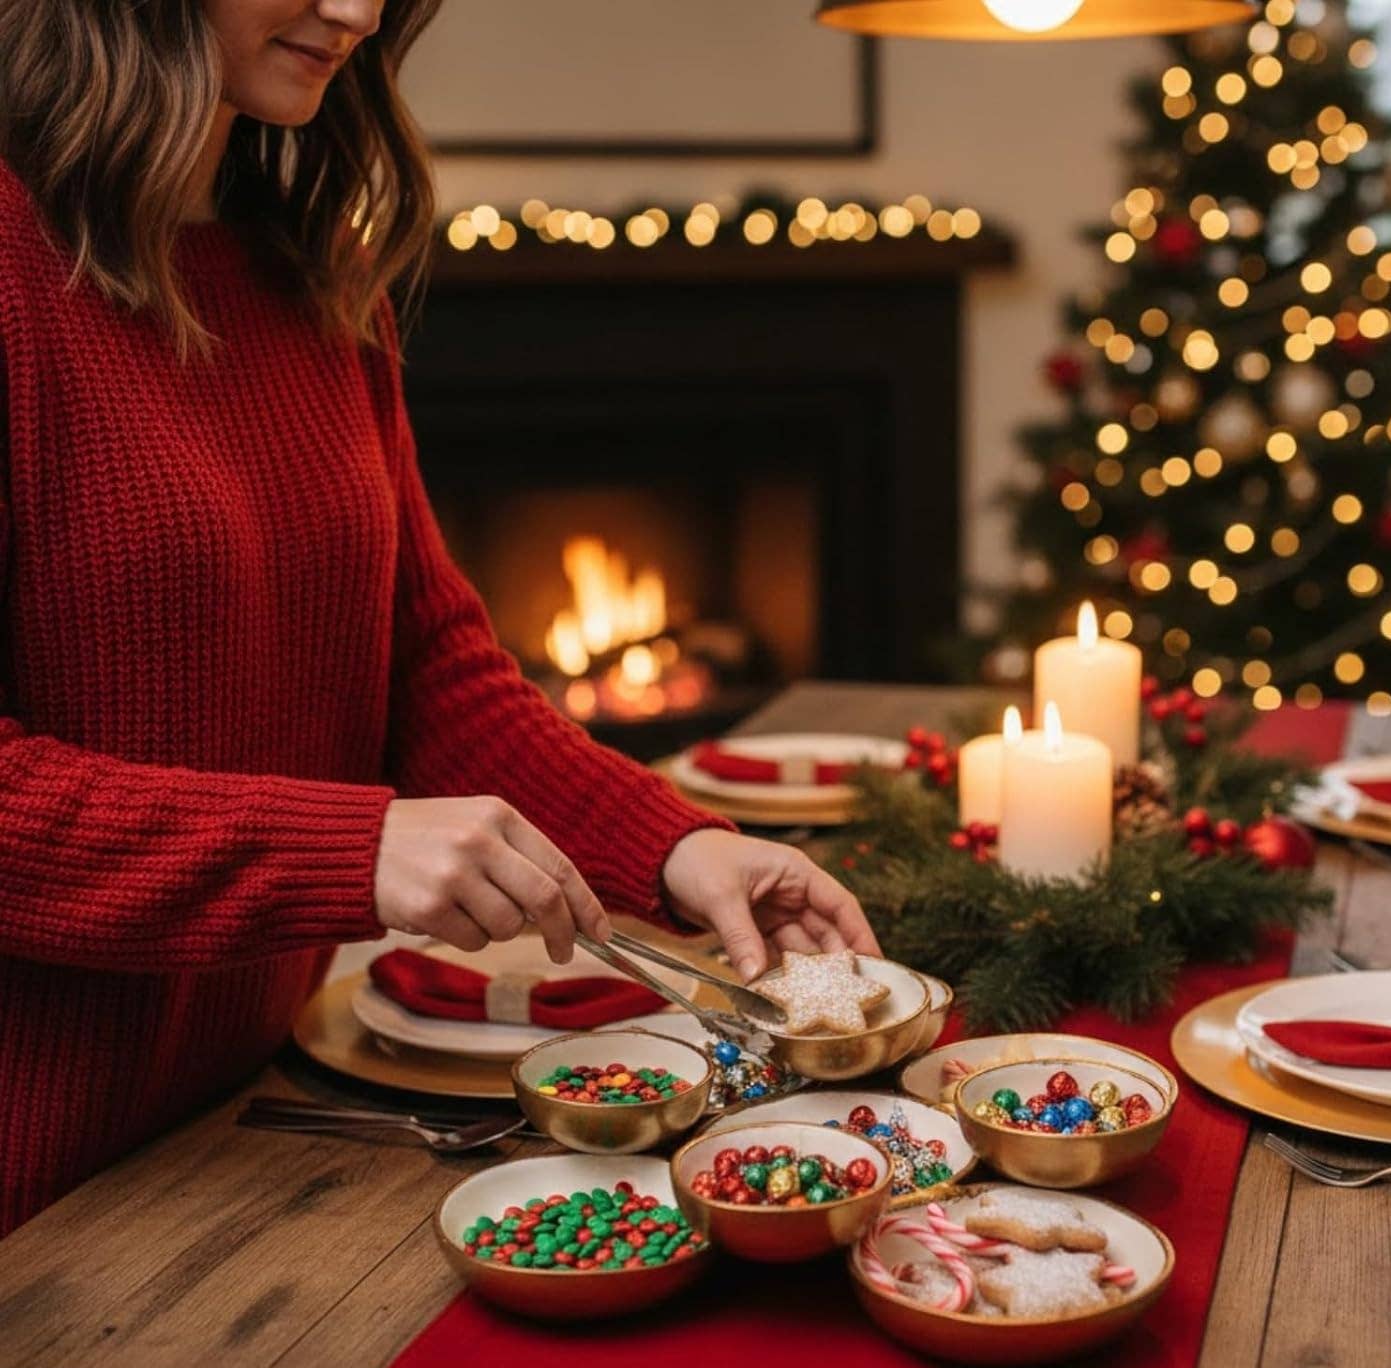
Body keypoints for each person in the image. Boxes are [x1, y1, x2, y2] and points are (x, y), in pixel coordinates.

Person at [0, 0, 878, 1236]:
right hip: (36, 1194)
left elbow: (431, 667)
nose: (358, 11)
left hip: (250, 1129)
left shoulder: (305, 263)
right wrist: (349, 850)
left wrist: (681, 851)